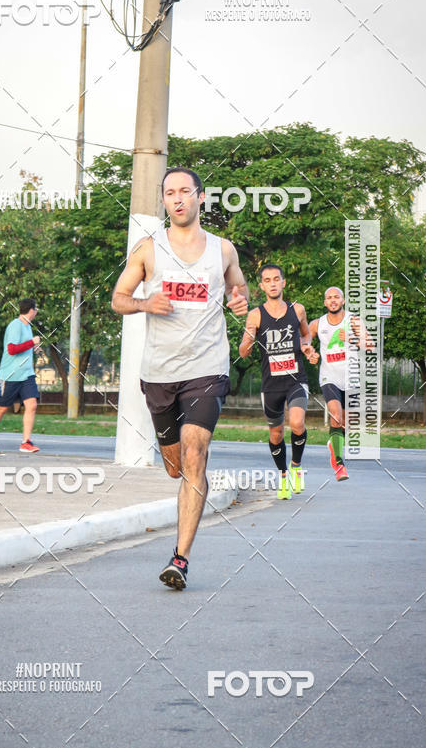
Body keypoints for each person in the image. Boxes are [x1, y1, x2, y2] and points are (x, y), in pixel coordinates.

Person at [111, 167, 249, 590]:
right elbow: (118, 298)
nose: (177, 199)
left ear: (200, 197)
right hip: (159, 374)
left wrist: (239, 299)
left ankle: (180, 558)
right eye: (169, 192)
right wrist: (145, 303)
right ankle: (179, 474)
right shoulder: (149, 250)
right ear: (164, 200)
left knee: (195, 453)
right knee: (174, 465)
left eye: (184, 191)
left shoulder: (223, 250)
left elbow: (238, 287)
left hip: (207, 368)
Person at [238, 264, 316, 500]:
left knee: (297, 422)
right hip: (271, 384)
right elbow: (242, 351)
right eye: (267, 280)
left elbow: (306, 333)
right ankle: (283, 476)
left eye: (276, 279)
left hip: (295, 379)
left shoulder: (297, 310)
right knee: (275, 434)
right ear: (261, 286)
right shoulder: (256, 315)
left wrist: (306, 347)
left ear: (283, 282)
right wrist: (249, 341)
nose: (272, 283)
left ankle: (296, 466)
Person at [307, 286, 375, 481]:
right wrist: (310, 353)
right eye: (329, 298)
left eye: (337, 297)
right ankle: (339, 464)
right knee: (336, 416)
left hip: (352, 377)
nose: (333, 300)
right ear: (325, 303)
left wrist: (353, 339)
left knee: (346, 423)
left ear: (343, 300)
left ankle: (333, 443)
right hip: (330, 377)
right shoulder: (317, 324)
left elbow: (370, 345)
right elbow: (303, 340)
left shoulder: (352, 320)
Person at [0, 298, 42, 453]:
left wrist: (34, 348)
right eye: (36, 309)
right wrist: (31, 342)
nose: (36, 312)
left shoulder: (27, 327)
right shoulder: (15, 325)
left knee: (32, 405)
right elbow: (12, 349)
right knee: (2, 409)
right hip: (11, 375)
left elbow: (24, 347)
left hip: (27, 375)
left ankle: (26, 442)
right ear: (32, 310)